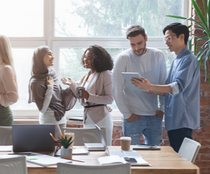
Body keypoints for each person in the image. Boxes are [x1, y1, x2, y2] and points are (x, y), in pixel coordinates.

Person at [131, 23, 200, 152]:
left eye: (169, 38)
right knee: (177, 159)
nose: (166, 42)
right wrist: (149, 89)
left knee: (181, 163)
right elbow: (167, 90)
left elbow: (177, 87)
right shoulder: (176, 61)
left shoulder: (189, 60)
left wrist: (151, 86)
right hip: (173, 119)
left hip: (182, 119)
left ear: (181, 37)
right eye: (165, 39)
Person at [112, 25, 167, 146]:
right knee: (131, 156)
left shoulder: (158, 55)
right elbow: (117, 89)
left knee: (155, 156)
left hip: (154, 117)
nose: (136, 48)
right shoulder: (122, 58)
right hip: (133, 117)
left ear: (146, 38)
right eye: (132, 44)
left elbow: (164, 84)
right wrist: (127, 114)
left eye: (139, 43)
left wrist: (162, 109)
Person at [61, 45, 114, 146]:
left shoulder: (106, 74)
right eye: (85, 57)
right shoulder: (88, 75)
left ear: (98, 59)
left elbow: (110, 99)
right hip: (88, 117)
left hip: (101, 118)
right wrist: (71, 84)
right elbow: (80, 95)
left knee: (104, 151)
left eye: (89, 58)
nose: (85, 60)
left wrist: (89, 96)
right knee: (89, 150)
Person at [28, 46, 76, 136]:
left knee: (63, 148)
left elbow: (59, 95)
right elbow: (42, 109)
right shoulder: (36, 82)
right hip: (49, 120)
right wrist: (49, 87)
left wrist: (71, 84)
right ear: (40, 57)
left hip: (61, 117)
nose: (53, 57)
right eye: (49, 54)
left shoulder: (52, 73)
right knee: (53, 149)